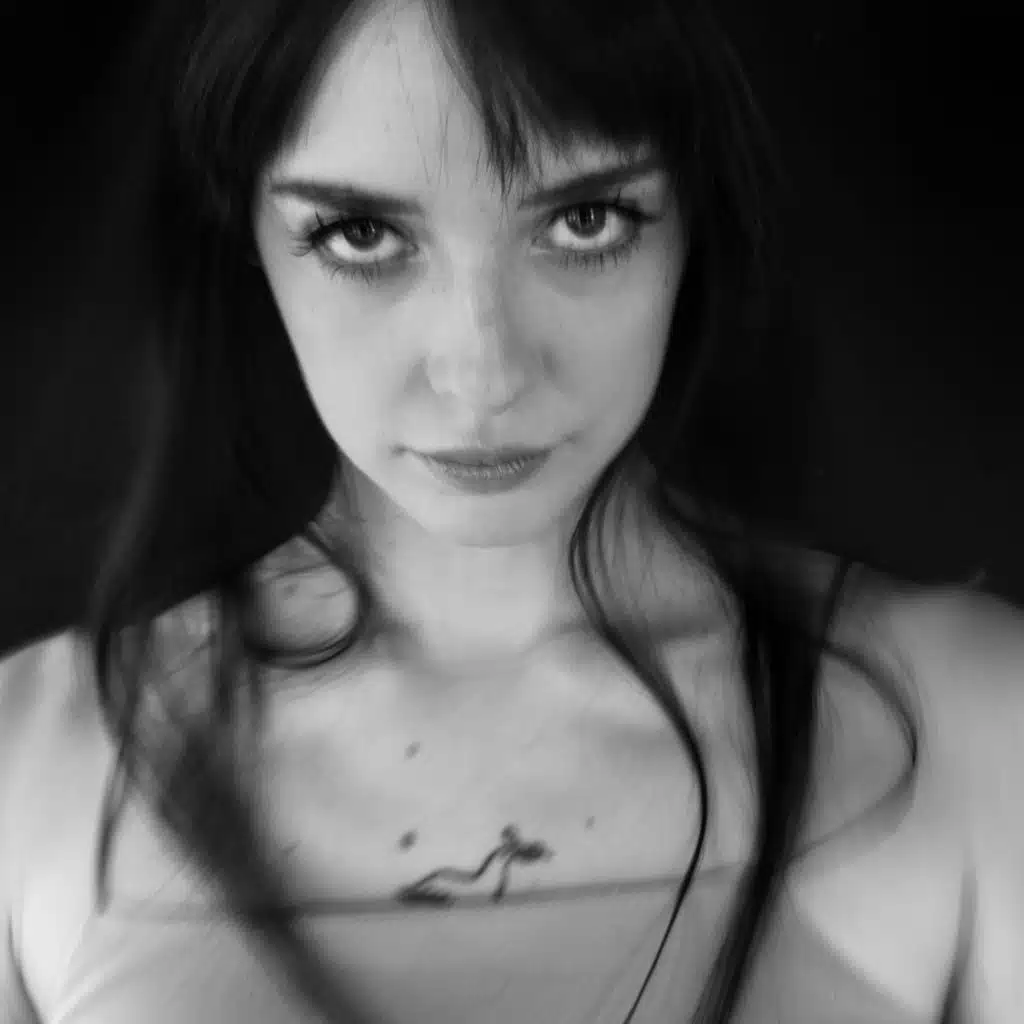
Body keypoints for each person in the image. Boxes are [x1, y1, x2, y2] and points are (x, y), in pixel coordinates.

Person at [1, 0, 1022, 1021]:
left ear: (691, 215)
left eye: (585, 222)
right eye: (363, 234)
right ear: (248, 231)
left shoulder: (980, 720)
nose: (483, 375)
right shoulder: (26, 761)